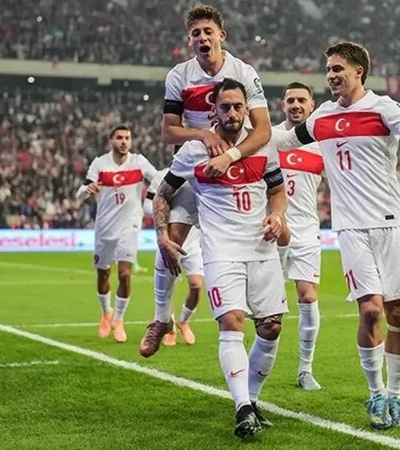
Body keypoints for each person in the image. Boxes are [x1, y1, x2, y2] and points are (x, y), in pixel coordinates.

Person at [271, 42, 400, 429]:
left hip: (391, 223)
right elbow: (281, 141)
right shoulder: (322, 117)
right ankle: (376, 394)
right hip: (350, 228)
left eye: (337, 68)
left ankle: (396, 395)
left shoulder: (383, 108)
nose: (331, 75)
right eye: (328, 69)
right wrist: (240, 135)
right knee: (370, 310)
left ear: (358, 71)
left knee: (397, 313)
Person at [154, 78, 288, 438]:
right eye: (225, 106)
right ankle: (242, 408)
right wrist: (162, 235)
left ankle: (252, 401)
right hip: (221, 252)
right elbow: (163, 195)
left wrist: (277, 216)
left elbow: (277, 190)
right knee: (232, 322)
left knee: (271, 327)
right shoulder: (194, 150)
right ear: (213, 109)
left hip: (261, 249)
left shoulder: (263, 145)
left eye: (238, 106)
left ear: (247, 109)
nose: (232, 112)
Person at [159, 4, 272, 327]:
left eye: (208, 31)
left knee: (260, 236)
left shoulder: (244, 72)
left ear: (222, 35)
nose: (202, 37)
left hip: (237, 170)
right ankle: (161, 319)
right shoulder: (179, 76)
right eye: (195, 33)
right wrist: (204, 135)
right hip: (195, 168)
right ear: (189, 40)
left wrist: (230, 155)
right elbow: (169, 132)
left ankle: (264, 309)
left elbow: (263, 130)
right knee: (171, 240)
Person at [76, 126, 157, 343]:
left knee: (124, 274)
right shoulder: (100, 164)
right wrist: (87, 190)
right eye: (119, 138)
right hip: (105, 227)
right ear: (111, 140)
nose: (124, 142)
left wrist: (149, 200)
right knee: (103, 274)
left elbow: (159, 179)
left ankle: (119, 320)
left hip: (129, 226)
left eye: (127, 138)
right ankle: (106, 313)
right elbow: (80, 193)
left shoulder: (139, 162)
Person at [274, 82, 325, 390]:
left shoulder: (321, 145)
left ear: (311, 105)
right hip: (271, 232)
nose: (295, 105)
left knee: (307, 297)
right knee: (268, 308)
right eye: (290, 100)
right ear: (283, 105)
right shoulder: (270, 138)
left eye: (301, 100)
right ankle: (258, 366)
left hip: (306, 232)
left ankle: (305, 369)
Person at [139, 168, 203, 358]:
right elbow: (147, 207)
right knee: (170, 284)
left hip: (194, 240)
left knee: (196, 286)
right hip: (172, 238)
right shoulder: (161, 176)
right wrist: (170, 205)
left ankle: (183, 321)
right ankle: (168, 325)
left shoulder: (203, 170)